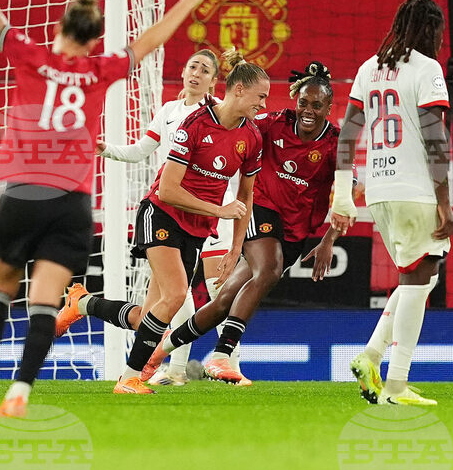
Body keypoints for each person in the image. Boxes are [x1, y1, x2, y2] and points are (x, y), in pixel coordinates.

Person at [0, 0, 206, 417]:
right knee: (44, 305)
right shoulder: (98, 70)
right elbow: (144, 44)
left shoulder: (30, 55)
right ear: (92, 39)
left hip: (25, 193)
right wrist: (184, 4)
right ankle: (19, 395)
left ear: (62, 29)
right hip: (72, 204)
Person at [58, 50, 263, 394]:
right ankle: (165, 372)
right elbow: (145, 155)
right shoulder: (177, 115)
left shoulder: (237, 123)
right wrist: (107, 149)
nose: (195, 73)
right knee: (182, 296)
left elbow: (246, 189)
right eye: (191, 66)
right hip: (170, 211)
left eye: (204, 70)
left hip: (207, 222)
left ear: (217, 81)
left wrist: (234, 237)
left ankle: (82, 303)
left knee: (151, 316)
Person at [143, 60, 350, 385]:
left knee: (225, 299)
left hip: (296, 231)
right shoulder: (273, 123)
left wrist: (329, 240)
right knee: (267, 268)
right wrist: (207, 104)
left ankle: (159, 355)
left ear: (328, 107)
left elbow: (345, 199)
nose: (308, 111)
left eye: (316, 105)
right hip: (261, 211)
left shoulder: (336, 143)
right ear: (296, 102)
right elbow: (235, 119)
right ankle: (223, 355)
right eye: (303, 103)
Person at [332, 0, 453, 406]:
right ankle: (397, 385)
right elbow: (436, 139)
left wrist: (346, 190)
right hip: (415, 188)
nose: (440, 39)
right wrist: (445, 200)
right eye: (438, 31)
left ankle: (370, 356)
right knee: (420, 280)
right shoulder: (427, 69)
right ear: (429, 30)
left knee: (419, 275)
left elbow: (348, 134)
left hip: (381, 189)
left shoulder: (369, 68)